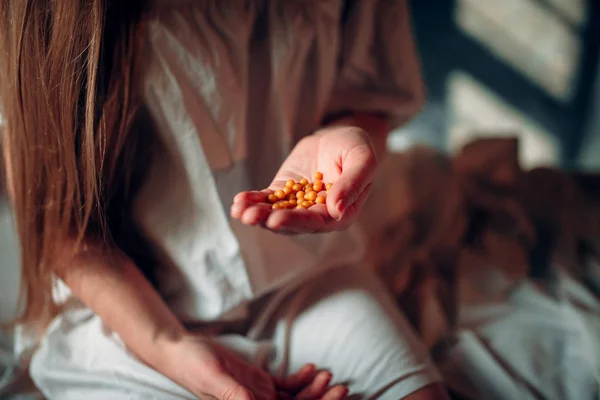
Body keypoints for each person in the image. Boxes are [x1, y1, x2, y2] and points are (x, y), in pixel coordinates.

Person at [0, 1, 449, 399]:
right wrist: (169, 347)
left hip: (303, 272)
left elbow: (368, 97)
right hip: (134, 305)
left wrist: (346, 135)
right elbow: (54, 217)